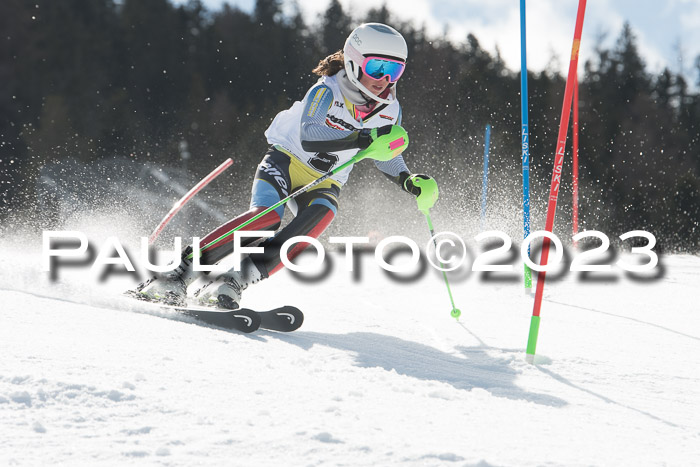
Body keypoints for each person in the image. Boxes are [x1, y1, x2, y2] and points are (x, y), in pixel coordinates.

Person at [136, 22, 439, 309]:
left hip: (326, 180)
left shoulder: (391, 110)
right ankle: (176, 273)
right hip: (286, 161)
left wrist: (407, 179)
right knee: (266, 219)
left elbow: (384, 153)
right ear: (354, 62)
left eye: (395, 70)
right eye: (378, 67)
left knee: (321, 216)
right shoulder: (326, 91)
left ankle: (231, 281)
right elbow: (311, 136)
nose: (385, 79)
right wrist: (363, 137)